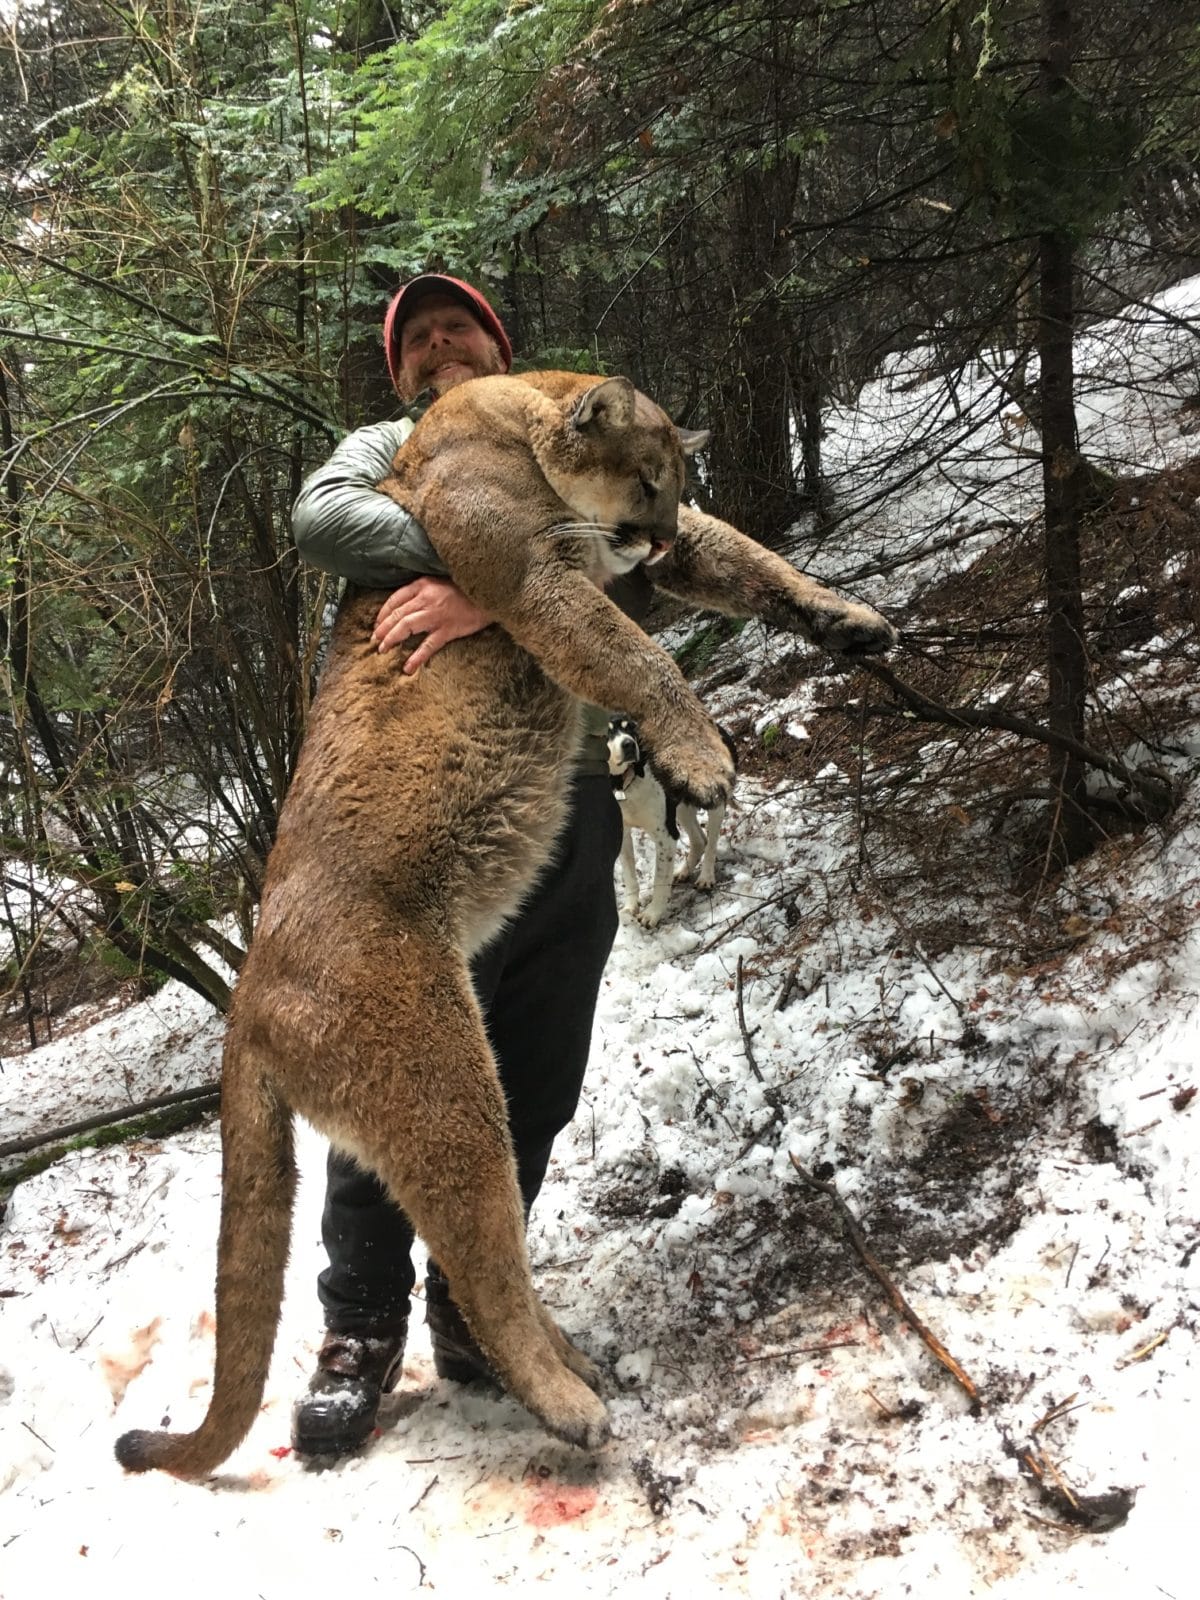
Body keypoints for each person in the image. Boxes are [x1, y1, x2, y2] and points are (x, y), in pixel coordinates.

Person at [288, 275, 654, 1455]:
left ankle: (474, 1306)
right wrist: (496, 557)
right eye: (421, 337)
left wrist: (495, 593)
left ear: (503, 343)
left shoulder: (572, 439)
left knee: (533, 1075)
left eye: (463, 328)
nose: (443, 345)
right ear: (402, 371)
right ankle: (359, 1324)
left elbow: (647, 551)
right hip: (414, 822)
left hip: (559, 798)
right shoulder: (390, 445)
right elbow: (323, 518)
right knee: (397, 1075)